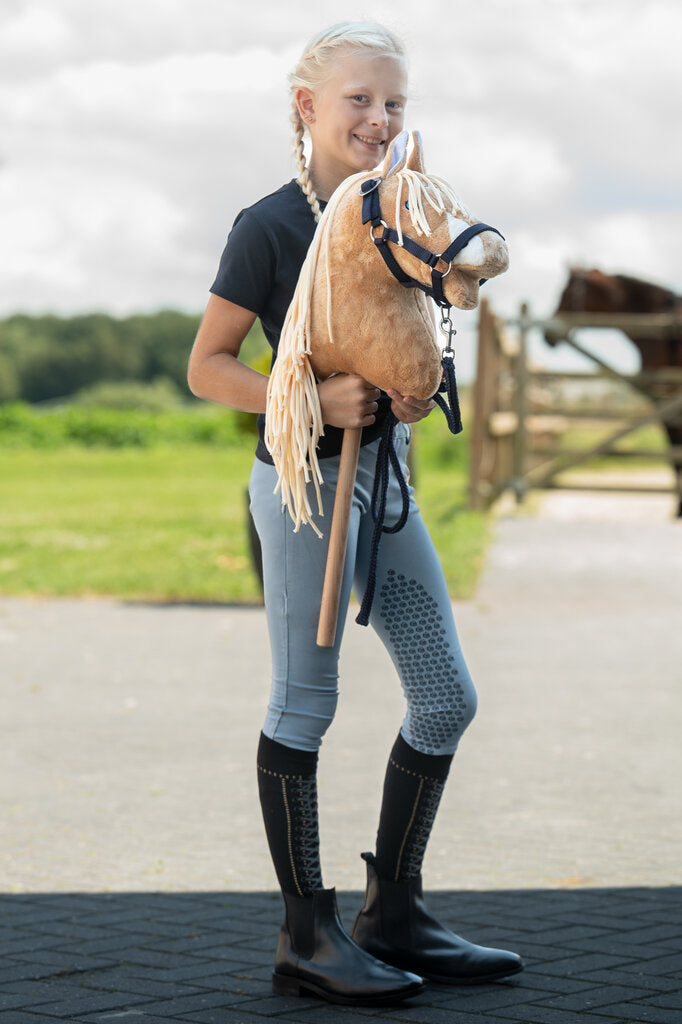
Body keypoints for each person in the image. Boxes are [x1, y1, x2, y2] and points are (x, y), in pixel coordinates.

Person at [187, 21, 523, 1007]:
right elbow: (206, 368)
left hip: (388, 487)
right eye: (358, 100)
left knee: (446, 697)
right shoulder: (271, 224)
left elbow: (426, 315)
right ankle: (306, 932)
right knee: (306, 704)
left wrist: (415, 383)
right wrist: (308, 399)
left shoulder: (406, 208)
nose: (378, 119)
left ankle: (394, 911)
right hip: (303, 488)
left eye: (394, 104)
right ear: (308, 108)